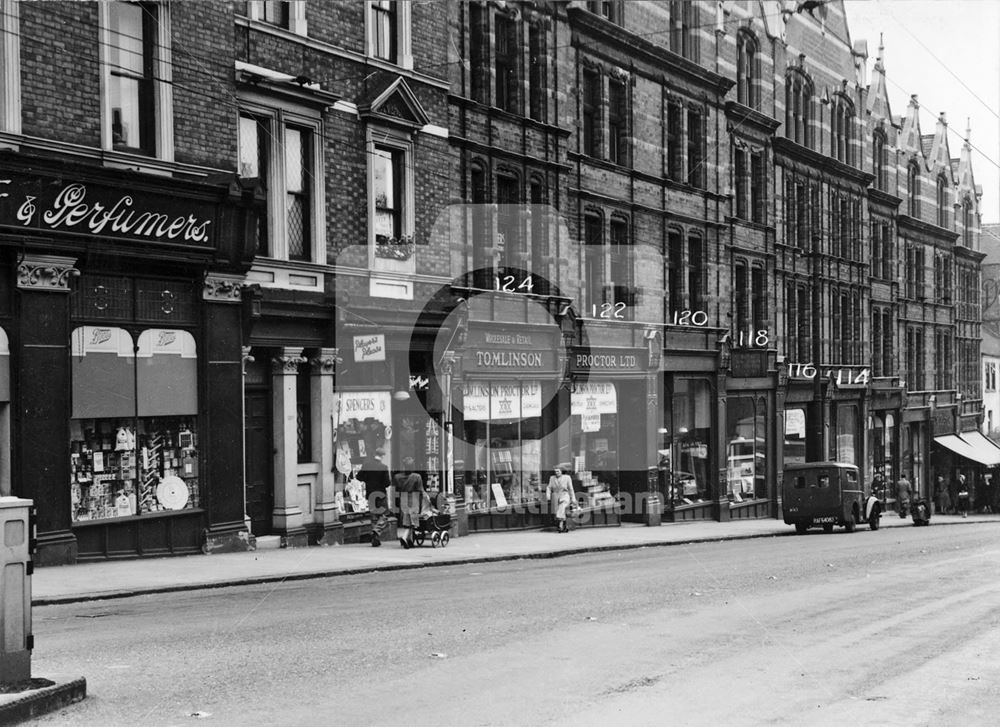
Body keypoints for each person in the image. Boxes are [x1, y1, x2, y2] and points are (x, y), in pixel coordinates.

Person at [357, 447, 391, 546]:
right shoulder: (383, 467)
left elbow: (359, 477)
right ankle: (376, 531)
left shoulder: (367, 465)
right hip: (381, 494)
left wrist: (367, 480)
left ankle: (375, 539)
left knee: (374, 517)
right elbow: (387, 483)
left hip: (370, 493)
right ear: (382, 456)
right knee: (384, 515)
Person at [396, 457, 428, 548]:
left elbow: (397, 488)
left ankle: (409, 540)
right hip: (413, 498)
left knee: (407, 519)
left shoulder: (398, 477)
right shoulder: (417, 477)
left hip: (403, 498)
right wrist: (426, 497)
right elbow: (420, 489)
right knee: (412, 520)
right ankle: (405, 537)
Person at [546, 463, 575, 533]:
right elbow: (549, 487)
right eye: (555, 471)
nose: (556, 473)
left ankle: (560, 525)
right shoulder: (552, 478)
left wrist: (573, 498)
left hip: (565, 495)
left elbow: (571, 488)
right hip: (556, 496)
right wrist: (548, 495)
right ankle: (565, 526)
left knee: (561, 508)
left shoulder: (567, 478)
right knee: (560, 511)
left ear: (562, 471)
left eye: (558, 471)